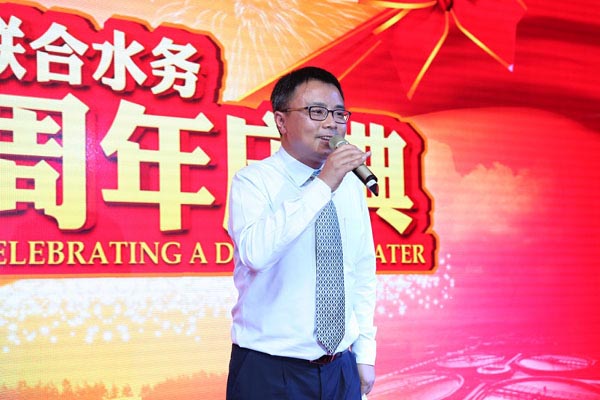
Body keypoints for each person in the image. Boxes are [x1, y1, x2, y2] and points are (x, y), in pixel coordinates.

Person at [226, 66, 377, 399]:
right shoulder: (253, 181)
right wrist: (323, 185)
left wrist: (365, 352)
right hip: (269, 369)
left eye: (339, 114)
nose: (331, 123)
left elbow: (362, 270)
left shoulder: (350, 185)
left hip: (341, 367)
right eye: (317, 112)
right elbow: (256, 254)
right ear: (281, 121)